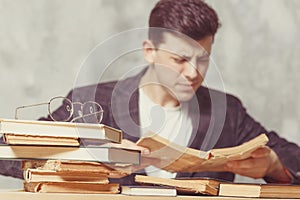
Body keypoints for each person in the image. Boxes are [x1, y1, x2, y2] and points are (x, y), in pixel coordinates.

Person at [1, 0, 300, 185]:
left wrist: (275, 167)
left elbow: (291, 156)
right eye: (180, 60)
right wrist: (91, 160)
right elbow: (7, 151)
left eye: (203, 59)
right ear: (149, 51)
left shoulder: (228, 111)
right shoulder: (91, 102)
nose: (193, 72)